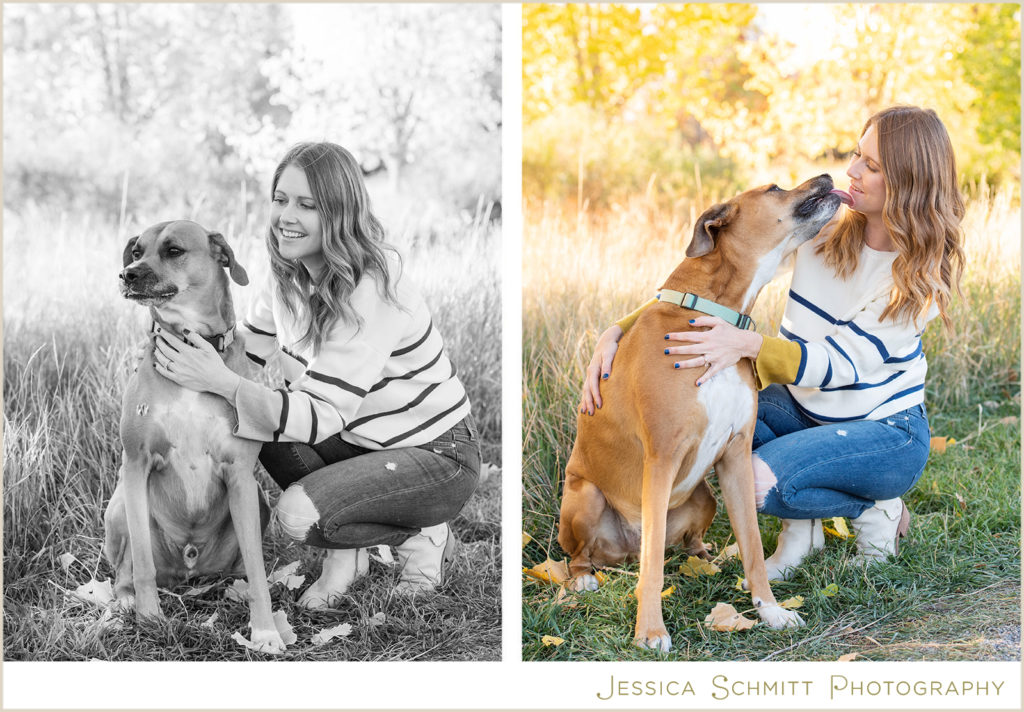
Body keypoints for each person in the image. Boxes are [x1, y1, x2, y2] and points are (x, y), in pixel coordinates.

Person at [579, 106, 964, 579]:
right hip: (806, 410)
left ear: (909, 183)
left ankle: (876, 510)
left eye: (872, 165)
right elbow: (710, 282)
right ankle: (803, 533)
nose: (851, 171)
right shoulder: (823, 233)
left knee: (759, 482)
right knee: (720, 424)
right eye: (856, 155)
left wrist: (747, 344)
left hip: (885, 433)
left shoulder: (916, 280)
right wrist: (617, 330)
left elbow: (838, 365)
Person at [153, 141, 480, 607]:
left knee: (298, 515)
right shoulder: (288, 273)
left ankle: (423, 534)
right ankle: (348, 556)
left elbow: (322, 413)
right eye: (281, 199)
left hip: (435, 455)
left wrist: (222, 382)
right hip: (360, 439)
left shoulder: (372, 283)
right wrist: (191, 340)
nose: (287, 215)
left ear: (340, 213)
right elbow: (254, 346)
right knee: (254, 422)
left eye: (307, 205)